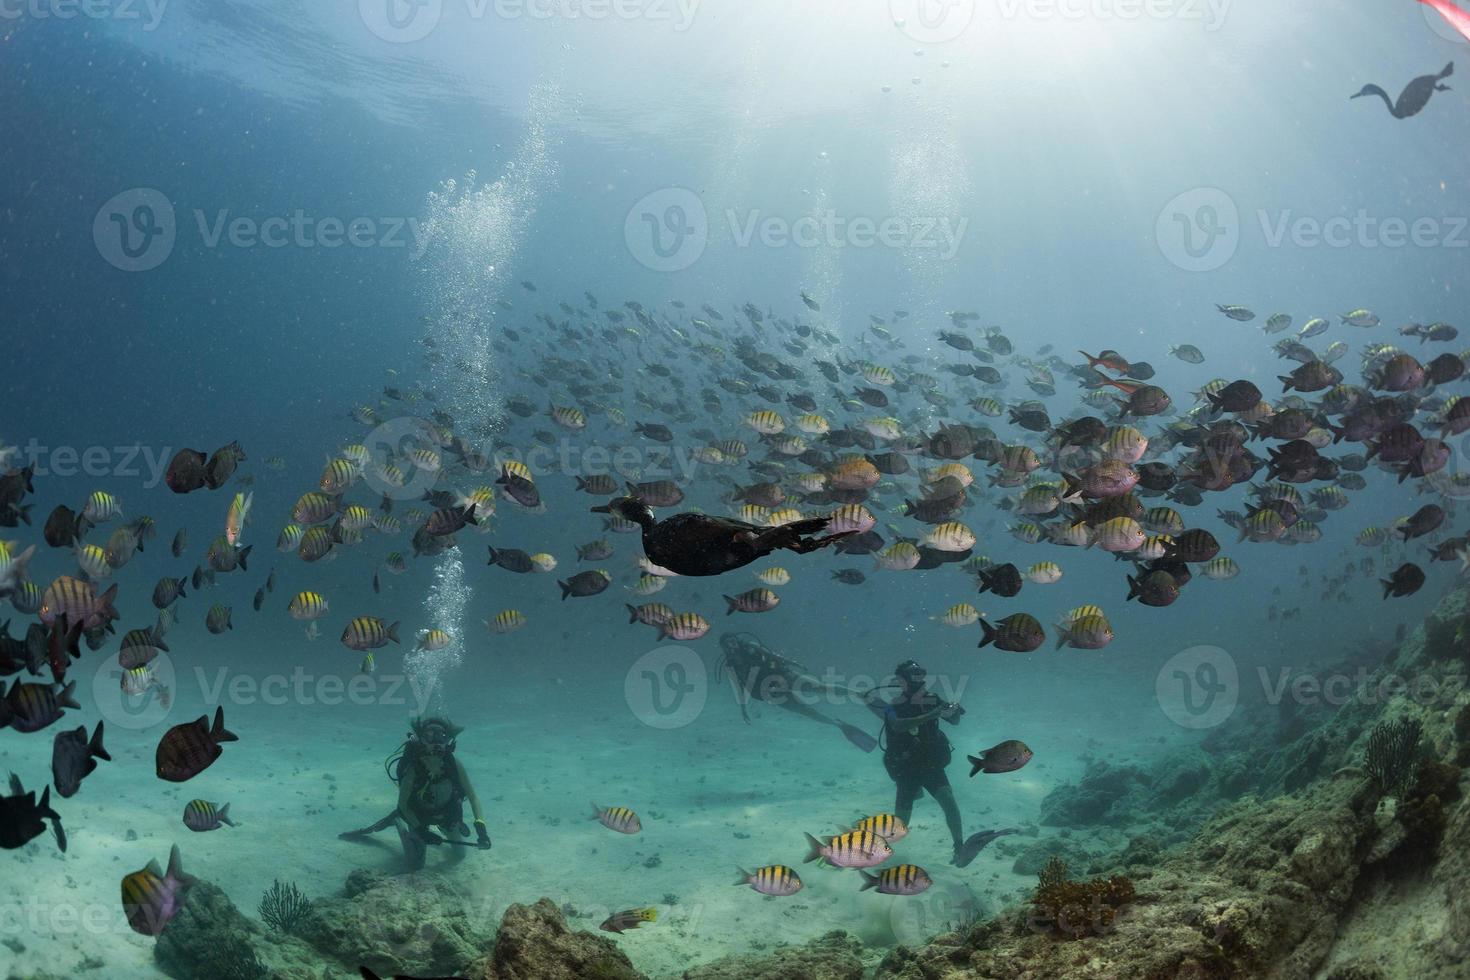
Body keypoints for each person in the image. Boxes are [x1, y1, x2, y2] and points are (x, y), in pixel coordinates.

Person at [339, 716, 491, 870]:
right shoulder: (413, 769)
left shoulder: (453, 765)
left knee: (460, 855)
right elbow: (403, 804)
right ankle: (398, 821)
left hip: (445, 815)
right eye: (430, 736)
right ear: (421, 740)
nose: (436, 742)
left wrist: (481, 828)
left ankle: (431, 829)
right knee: (415, 866)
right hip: (418, 818)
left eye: (441, 737)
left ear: (448, 741)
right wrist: (420, 830)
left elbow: (473, 797)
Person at [869, 660, 973, 866]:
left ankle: (959, 846)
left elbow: (954, 721)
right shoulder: (894, 705)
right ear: (901, 680)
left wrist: (953, 712)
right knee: (902, 822)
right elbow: (898, 726)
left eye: (920, 674)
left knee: (949, 801)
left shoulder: (933, 699)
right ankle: (869, 851)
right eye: (913, 675)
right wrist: (930, 715)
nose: (920, 679)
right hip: (906, 767)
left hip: (930, 764)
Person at [716, 632, 877, 751]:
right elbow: (738, 687)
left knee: (821, 688)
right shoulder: (729, 665)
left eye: (732, 641)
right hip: (770, 693)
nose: (731, 646)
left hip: (784, 676)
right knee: (806, 711)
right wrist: (743, 708)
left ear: (737, 641)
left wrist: (795, 663)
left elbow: (775, 657)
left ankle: (858, 693)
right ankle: (838, 724)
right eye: (726, 644)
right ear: (723, 648)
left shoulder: (751, 648)